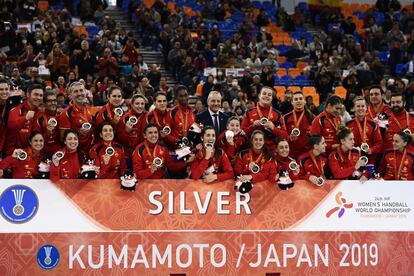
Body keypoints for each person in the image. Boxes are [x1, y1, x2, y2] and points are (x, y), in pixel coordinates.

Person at [242, 86, 287, 150]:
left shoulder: (278, 114)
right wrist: (252, 126)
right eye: (264, 94)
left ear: (272, 98)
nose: (266, 96)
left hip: (271, 150)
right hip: (252, 149)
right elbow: (242, 134)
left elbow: (285, 136)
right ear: (259, 96)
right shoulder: (249, 113)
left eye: (269, 95)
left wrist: (273, 129)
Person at [5, 84, 43, 156]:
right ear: (28, 95)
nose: (39, 97)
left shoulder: (40, 112)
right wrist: (25, 118)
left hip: (32, 154)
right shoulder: (16, 110)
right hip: (14, 154)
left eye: (41, 95)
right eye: (36, 94)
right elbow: (11, 126)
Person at [58, 82, 94, 152]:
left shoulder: (89, 108)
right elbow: (63, 138)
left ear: (85, 92)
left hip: (90, 149)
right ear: (70, 95)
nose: (79, 93)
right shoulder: (66, 113)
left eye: (81, 90)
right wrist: (77, 133)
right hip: (75, 151)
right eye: (76, 91)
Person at [346, 96, 383, 164]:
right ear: (354, 108)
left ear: (366, 108)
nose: (360, 108)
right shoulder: (348, 125)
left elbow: (379, 143)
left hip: (370, 159)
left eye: (363, 106)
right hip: (353, 159)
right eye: (358, 106)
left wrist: (371, 150)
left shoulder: (373, 124)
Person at [282, 91, 315, 158]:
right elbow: (282, 135)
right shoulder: (285, 118)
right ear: (292, 102)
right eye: (296, 99)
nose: (298, 101)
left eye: (300, 99)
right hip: (290, 153)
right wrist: (288, 138)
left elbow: (316, 136)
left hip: (307, 154)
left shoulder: (312, 117)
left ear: (304, 101)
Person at [117, 94, 147, 158]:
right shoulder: (125, 118)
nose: (140, 106)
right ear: (132, 105)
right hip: (128, 154)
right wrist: (126, 131)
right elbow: (119, 139)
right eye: (137, 103)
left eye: (142, 104)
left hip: (144, 152)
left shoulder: (147, 117)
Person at [0, 79, 10, 158]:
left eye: (6, 89)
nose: (4, 92)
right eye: (1, 89)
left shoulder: (11, 103)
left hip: (6, 144)